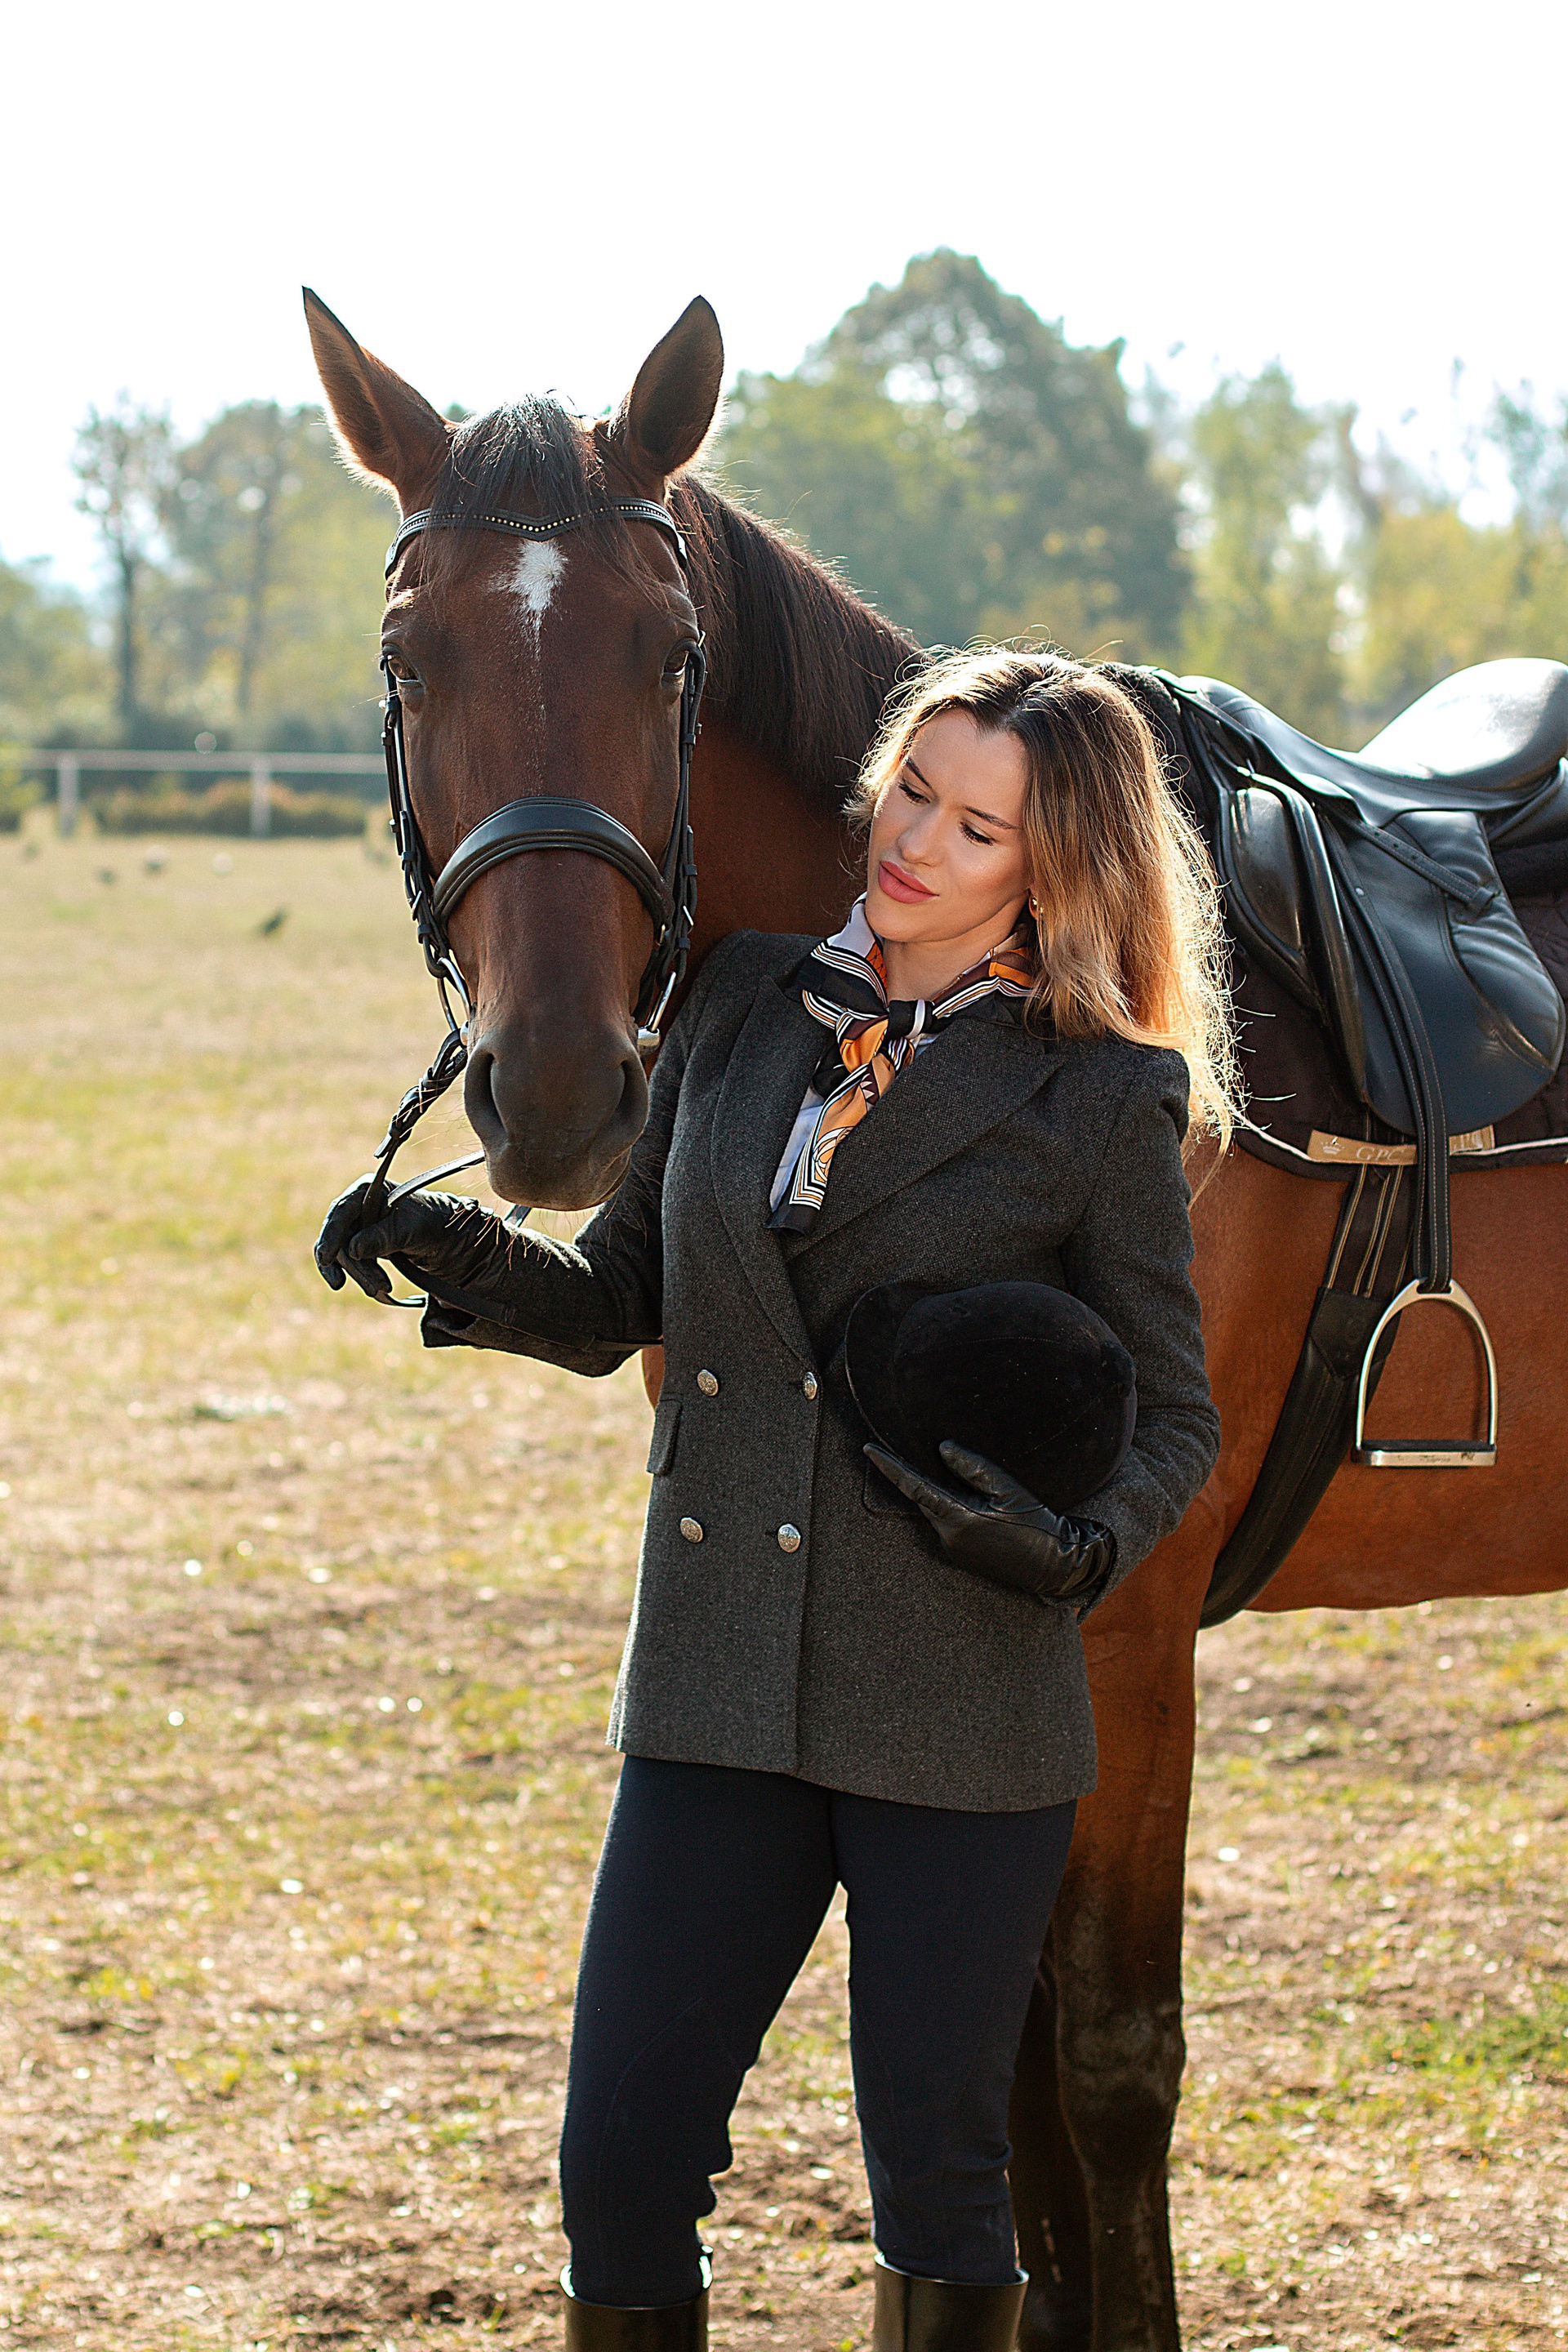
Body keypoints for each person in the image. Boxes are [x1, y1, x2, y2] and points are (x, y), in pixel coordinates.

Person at [315, 648, 1232, 2351]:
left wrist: (1077, 1550)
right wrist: (457, 1253)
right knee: (620, 2163)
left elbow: (1178, 1418)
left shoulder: (1105, 1092)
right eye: (912, 792)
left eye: (977, 828)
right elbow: (624, 1296)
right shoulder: (735, 1002)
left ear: (1053, 868)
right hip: (714, 1683)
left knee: (941, 2179)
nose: (918, 844)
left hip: (961, 1704)